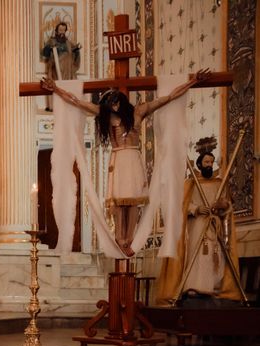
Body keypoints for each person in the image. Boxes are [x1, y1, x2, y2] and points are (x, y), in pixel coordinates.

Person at [41, 69, 210, 256]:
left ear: (121, 100)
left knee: (133, 202)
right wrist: (56, 89)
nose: (113, 106)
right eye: (109, 104)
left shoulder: (139, 111)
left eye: (115, 102)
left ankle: (129, 239)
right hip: (118, 158)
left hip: (133, 158)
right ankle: (120, 238)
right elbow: (76, 102)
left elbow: (168, 98)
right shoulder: (104, 114)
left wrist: (192, 81)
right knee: (120, 203)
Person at [155, 138, 241, 304]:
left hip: (214, 225)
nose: (209, 164)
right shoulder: (191, 183)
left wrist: (221, 206)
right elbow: (182, 205)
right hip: (197, 225)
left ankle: (214, 287)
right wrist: (196, 209)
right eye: (206, 161)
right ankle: (194, 286)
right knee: (198, 256)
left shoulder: (219, 183)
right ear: (200, 164)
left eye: (211, 161)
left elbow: (228, 204)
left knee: (215, 256)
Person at [40, 22, 80, 111]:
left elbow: (74, 54)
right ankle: (55, 106)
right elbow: (45, 54)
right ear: (56, 30)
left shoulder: (68, 43)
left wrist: (76, 51)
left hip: (67, 71)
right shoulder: (52, 41)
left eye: (64, 30)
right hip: (55, 69)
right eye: (60, 30)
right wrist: (49, 48)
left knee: (66, 87)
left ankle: (67, 104)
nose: (62, 32)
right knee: (56, 87)